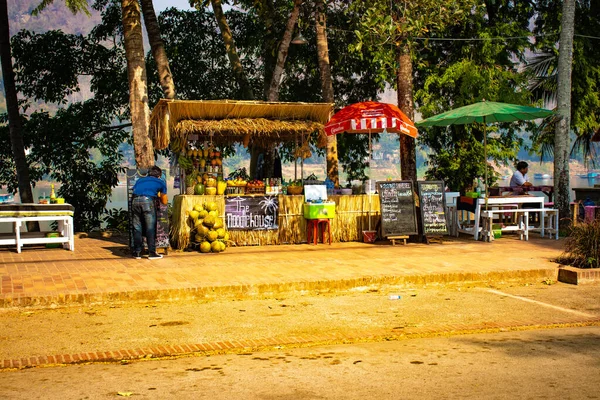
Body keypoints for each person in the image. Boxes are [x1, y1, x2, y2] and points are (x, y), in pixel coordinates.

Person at [131, 166, 167, 260]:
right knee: (150, 227)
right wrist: (158, 195)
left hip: (134, 201)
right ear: (159, 175)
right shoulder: (160, 182)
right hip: (147, 201)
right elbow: (164, 201)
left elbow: (136, 190)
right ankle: (152, 253)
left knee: (137, 227)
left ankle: (137, 252)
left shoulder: (140, 180)